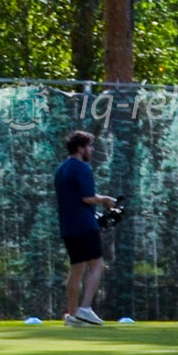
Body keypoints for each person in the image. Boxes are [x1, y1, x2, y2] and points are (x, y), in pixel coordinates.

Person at [54, 129, 118, 326]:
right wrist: (106, 200)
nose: (91, 150)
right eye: (89, 146)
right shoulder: (81, 168)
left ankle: (72, 316)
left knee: (76, 269)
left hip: (68, 226)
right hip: (84, 225)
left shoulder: (61, 169)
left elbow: (73, 198)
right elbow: (87, 197)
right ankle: (85, 309)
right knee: (97, 264)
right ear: (80, 148)